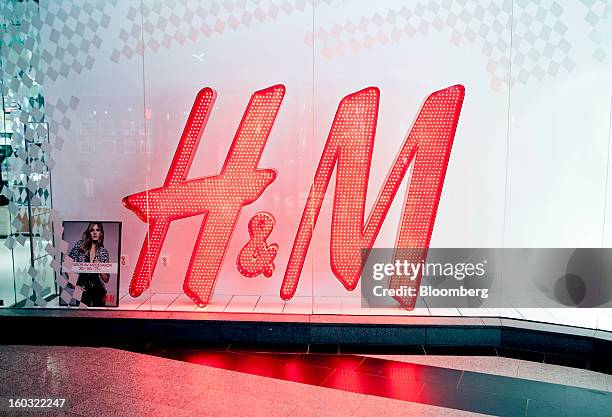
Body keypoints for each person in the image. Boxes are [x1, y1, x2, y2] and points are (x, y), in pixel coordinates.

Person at [67, 222, 110, 306]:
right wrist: (74, 285)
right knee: (82, 315)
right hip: (82, 288)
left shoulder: (103, 252)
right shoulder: (80, 245)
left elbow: (106, 279)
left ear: (101, 233)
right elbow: (67, 265)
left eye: (97, 230)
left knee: (99, 316)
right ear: (88, 232)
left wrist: (99, 268)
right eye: (92, 230)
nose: (94, 233)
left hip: (99, 290)